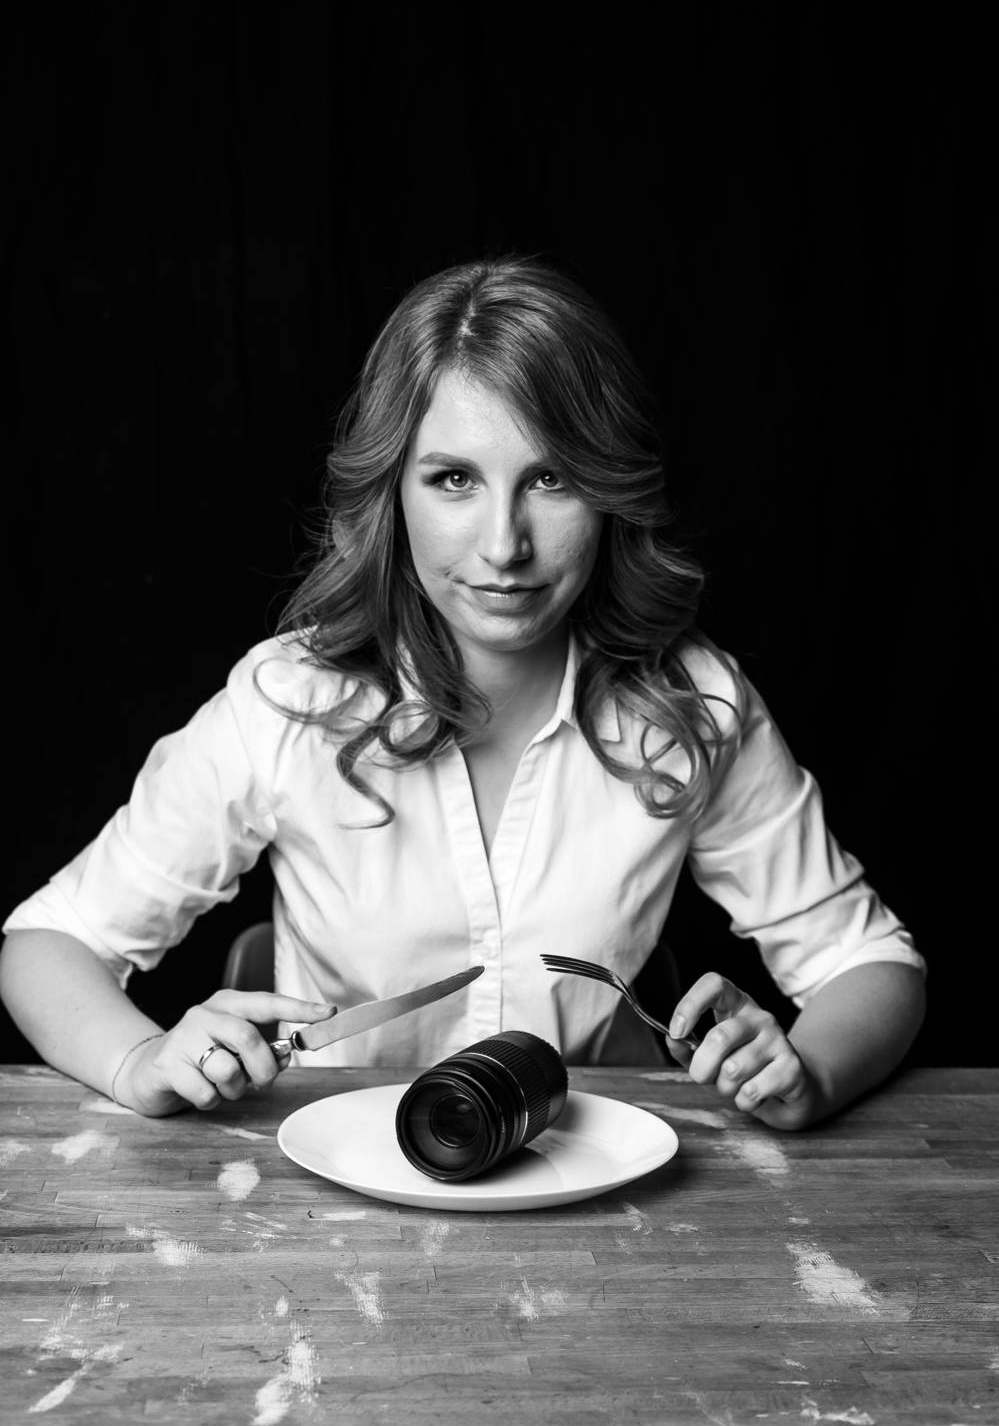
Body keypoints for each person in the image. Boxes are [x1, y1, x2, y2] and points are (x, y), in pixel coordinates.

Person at [0, 257, 925, 1128]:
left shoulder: (690, 703)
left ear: (607, 490)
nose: (503, 545)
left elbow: (869, 961)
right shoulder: (288, 700)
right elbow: (49, 942)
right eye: (454, 480)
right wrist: (140, 1061)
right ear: (393, 491)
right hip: (327, 1184)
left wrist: (805, 1072)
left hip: (592, 1179)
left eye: (550, 478)